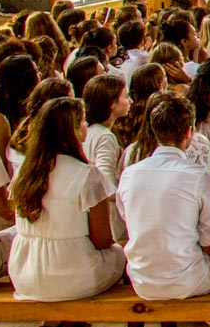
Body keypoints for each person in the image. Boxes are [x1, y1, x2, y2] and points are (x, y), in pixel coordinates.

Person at [116, 94, 210, 300]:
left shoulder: (130, 174)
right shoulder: (201, 178)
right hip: (188, 280)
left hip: (142, 279)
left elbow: (129, 221)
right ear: (190, 131)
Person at [8, 96, 124, 301]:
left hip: (23, 272)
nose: (86, 126)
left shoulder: (24, 172)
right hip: (71, 275)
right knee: (123, 254)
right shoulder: (87, 174)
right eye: (82, 121)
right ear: (71, 130)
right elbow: (102, 239)